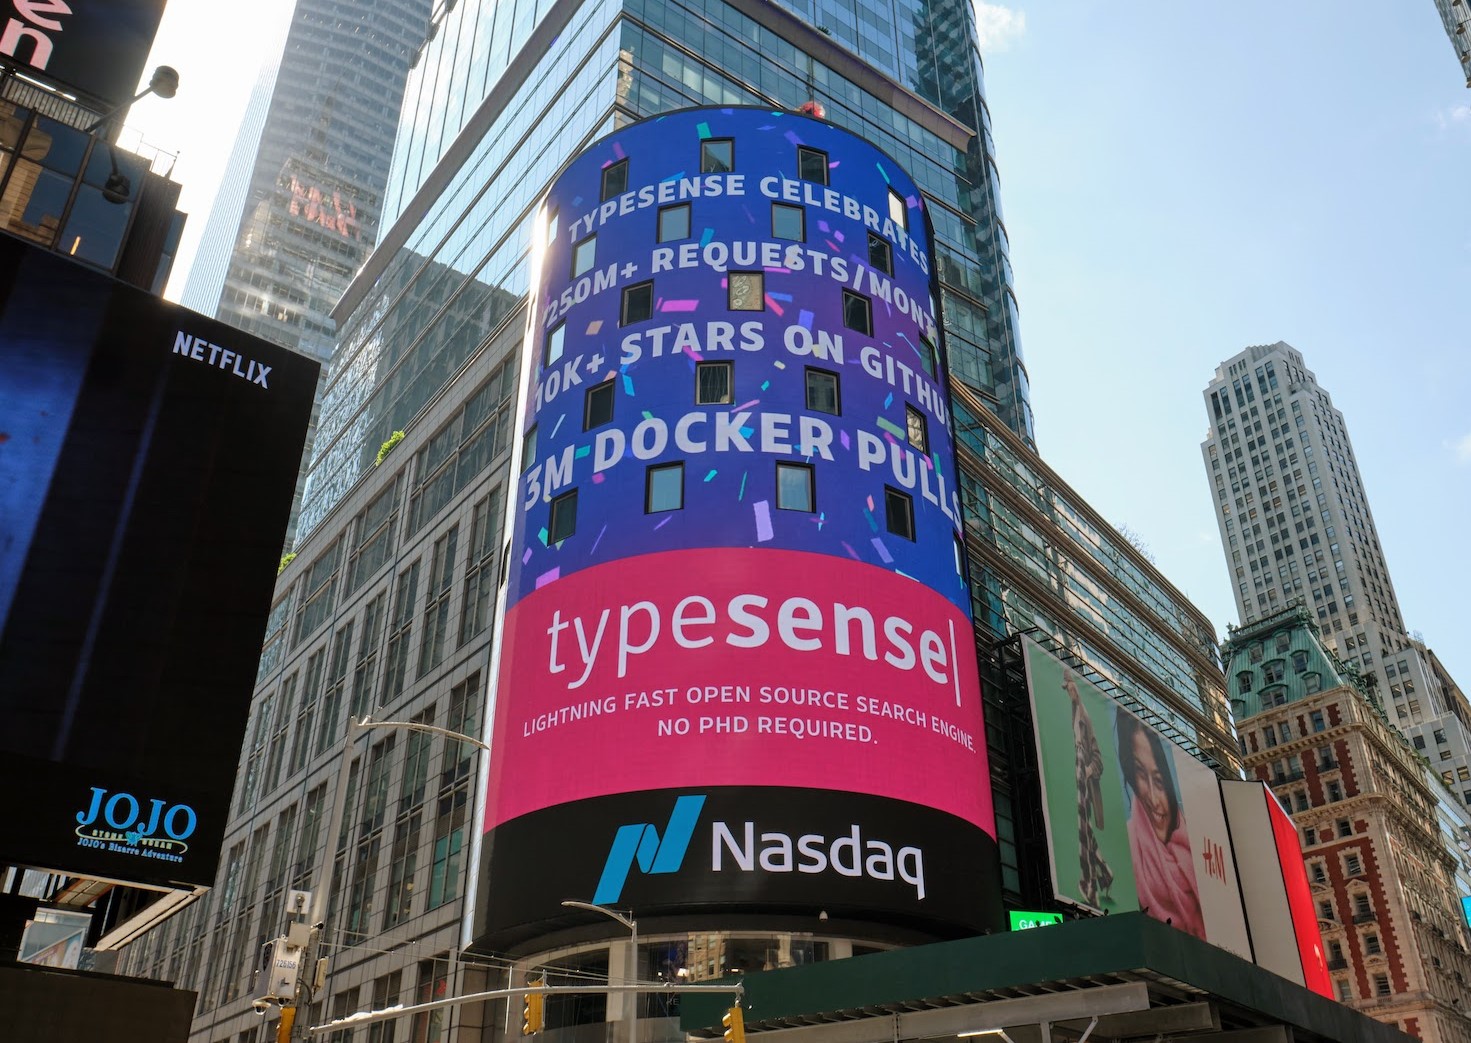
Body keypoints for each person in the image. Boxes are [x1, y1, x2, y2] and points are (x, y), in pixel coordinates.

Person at [1116, 711, 1205, 939]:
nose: (1154, 799)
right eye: (1140, 775)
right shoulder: (1125, 850)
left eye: (1159, 780)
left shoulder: (1200, 852)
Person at [1065, 669, 1112, 907]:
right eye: (1068, 689)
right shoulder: (1074, 712)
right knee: (1085, 829)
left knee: (1085, 828)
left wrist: (1087, 771)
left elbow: (1098, 759)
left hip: (1086, 778)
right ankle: (1105, 873)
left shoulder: (1085, 717)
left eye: (1072, 687)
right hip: (1078, 774)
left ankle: (1091, 885)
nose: (1070, 692)